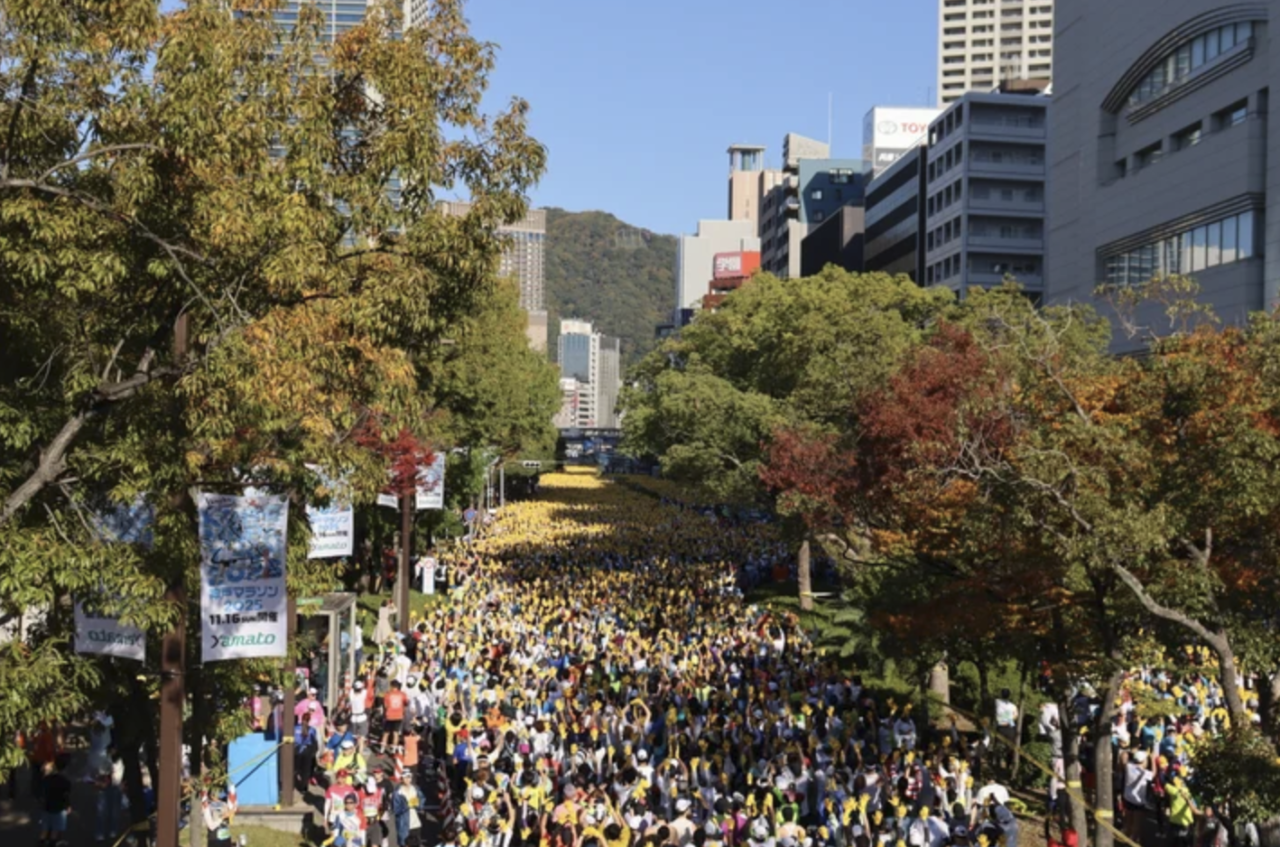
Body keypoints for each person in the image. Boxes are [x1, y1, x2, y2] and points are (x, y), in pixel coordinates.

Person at [39, 755, 72, 847]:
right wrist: (68, 806)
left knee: (45, 829)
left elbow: (42, 793)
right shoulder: (66, 781)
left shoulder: (47, 779)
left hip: (47, 806)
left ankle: (41, 842)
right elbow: (66, 795)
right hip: (59, 808)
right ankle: (52, 843)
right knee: (55, 829)